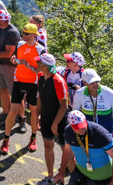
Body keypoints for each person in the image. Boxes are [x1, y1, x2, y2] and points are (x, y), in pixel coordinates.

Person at [0, 22, 45, 154]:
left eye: (26, 33)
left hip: (33, 84)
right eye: (23, 32)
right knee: (12, 111)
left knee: (34, 112)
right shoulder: (19, 44)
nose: (23, 35)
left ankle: (33, 138)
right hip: (18, 81)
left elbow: (39, 71)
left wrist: (27, 66)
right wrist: (14, 60)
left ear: (34, 35)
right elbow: (13, 58)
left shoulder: (40, 49)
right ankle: (6, 139)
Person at [54, 111, 113, 185]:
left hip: (102, 178)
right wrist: (61, 171)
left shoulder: (100, 134)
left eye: (82, 125)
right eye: (78, 128)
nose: (82, 129)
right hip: (81, 172)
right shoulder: (68, 132)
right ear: (71, 126)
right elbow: (67, 151)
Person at [71, 69, 113, 152]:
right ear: (84, 83)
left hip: (107, 134)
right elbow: (74, 115)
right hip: (88, 135)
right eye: (92, 82)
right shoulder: (79, 94)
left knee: (107, 162)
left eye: (96, 81)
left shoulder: (109, 93)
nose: (95, 84)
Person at [36, 53, 69, 185]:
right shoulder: (40, 77)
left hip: (60, 120)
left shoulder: (58, 82)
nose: (36, 64)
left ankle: (73, 181)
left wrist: (55, 123)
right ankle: (50, 178)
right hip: (46, 117)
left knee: (66, 151)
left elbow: (64, 106)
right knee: (48, 145)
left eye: (38, 62)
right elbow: (40, 97)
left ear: (44, 66)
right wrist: (37, 114)